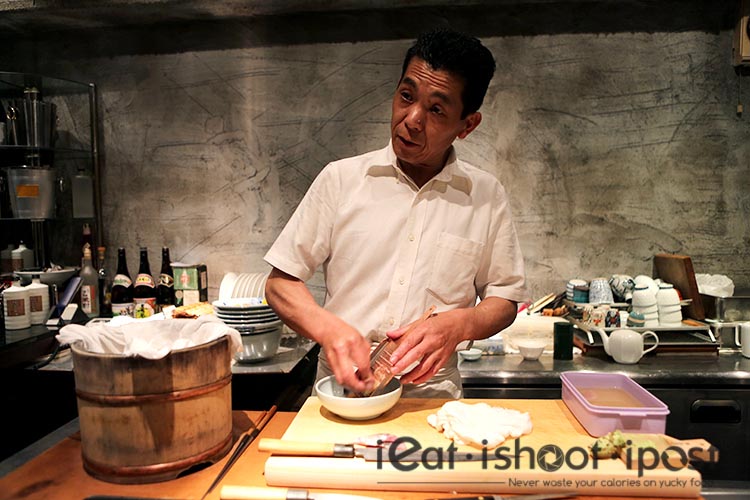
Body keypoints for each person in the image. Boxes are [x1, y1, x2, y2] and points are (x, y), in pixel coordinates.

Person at [264, 28, 527, 398]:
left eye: (436, 109)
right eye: (406, 96)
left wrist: (460, 324)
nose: (412, 119)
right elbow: (279, 284)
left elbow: (504, 299)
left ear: (467, 125)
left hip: (432, 400)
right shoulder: (341, 179)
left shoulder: (485, 195)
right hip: (341, 391)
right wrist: (329, 329)